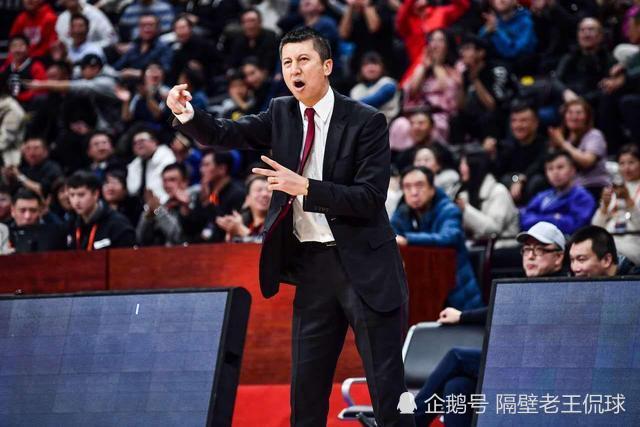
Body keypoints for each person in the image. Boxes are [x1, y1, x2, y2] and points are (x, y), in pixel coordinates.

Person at [168, 27, 414, 426]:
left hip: (365, 266)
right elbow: (227, 133)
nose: (294, 70)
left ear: (327, 66)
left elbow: (370, 198)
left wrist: (307, 188)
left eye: (303, 60)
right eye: (286, 62)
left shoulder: (367, 121)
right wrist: (187, 114)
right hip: (312, 267)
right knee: (305, 393)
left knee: (388, 391)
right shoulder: (281, 112)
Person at [418, 220, 566, 427]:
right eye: (527, 249)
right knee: (457, 386)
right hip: (515, 363)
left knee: (457, 357)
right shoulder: (527, 285)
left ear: (559, 257)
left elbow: (506, 312)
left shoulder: (564, 288)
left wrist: (462, 316)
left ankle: (408, 422)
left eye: (540, 250)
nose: (531, 256)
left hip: (541, 371)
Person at [391, 166, 483, 310]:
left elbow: (448, 237)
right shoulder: (402, 212)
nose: (414, 192)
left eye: (419, 186)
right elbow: (391, 236)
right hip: (421, 289)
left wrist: (408, 240)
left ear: (432, 188)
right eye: (407, 187)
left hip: (456, 292)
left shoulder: (449, 209)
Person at [548, 98, 611, 200]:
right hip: (567, 190)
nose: (574, 117)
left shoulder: (594, 135)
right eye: (570, 113)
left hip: (593, 187)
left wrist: (563, 143)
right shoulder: (564, 138)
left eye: (579, 113)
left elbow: (587, 161)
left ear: (587, 117)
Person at [520, 150, 596, 235]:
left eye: (560, 167)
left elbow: (573, 227)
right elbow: (524, 220)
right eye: (550, 169)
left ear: (573, 170)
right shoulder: (543, 196)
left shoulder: (583, 197)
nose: (555, 173)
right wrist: (554, 217)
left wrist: (540, 218)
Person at [456, 149, 519, 246]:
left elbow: (493, 230)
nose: (460, 168)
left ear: (475, 166)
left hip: (503, 247)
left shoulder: (498, 192)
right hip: (478, 247)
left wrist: (466, 209)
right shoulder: (465, 193)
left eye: (464, 163)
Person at [179, 151, 245, 243]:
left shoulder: (237, 193)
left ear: (222, 169)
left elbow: (220, 223)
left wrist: (209, 200)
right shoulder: (206, 191)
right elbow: (193, 228)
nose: (201, 170)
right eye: (201, 165)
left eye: (206, 165)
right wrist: (185, 208)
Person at [592, 144, 640, 264]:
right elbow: (595, 228)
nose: (626, 168)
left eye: (631, 162)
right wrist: (604, 206)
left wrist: (628, 201)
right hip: (608, 244)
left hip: (633, 244)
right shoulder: (613, 190)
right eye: (622, 163)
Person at [494, 102, 548, 206]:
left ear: (535, 123)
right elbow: (501, 173)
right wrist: (516, 179)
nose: (518, 125)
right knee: (506, 179)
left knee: (537, 180)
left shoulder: (545, 145)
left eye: (523, 121)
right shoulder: (507, 146)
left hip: (534, 187)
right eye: (514, 121)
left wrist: (522, 179)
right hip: (515, 182)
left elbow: (539, 167)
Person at [68, 170, 136, 250]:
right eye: (72, 195)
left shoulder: (117, 224)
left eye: (81, 195)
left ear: (95, 194)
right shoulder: (71, 224)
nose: (76, 201)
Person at [136, 162, 192, 246]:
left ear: (185, 182)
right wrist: (150, 213)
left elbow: (178, 237)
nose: (167, 185)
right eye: (165, 181)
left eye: (172, 180)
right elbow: (140, 239)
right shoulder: (163, 206)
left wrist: (158, 210)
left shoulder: (194, 201)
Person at [7, 188, 68, 253]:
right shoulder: (3, 234)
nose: (27, 216)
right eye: (22, 210)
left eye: (33, 210)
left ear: (40, 211)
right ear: (12, 211)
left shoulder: (55, 234)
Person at [215, 174, 272, 242]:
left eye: (269, 191)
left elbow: (267, 245)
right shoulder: (243, 222)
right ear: (247, 199)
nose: (264, 194)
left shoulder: (277, 224)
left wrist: (241, 230)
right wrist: (231, 234)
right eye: (258, 190)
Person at [126, 129, 176, 203]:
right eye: (135, 143)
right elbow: (132, 190)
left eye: (142, 140)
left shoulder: (167, 158)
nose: (138, 144)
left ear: (154, 142)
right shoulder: (134, 165)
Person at [568, 225, 640, 277]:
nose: (574, 268)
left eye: (581, 259)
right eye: (572, 260)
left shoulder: (635, 284)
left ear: (606, 260)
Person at [225, 8, 279, 75]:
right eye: (246, 21)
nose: (250, 25)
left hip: (265, 73)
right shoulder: (237, 39)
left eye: (252, 21)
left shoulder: (270, 37)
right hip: (242, 74)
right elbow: (232, 62)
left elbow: (270, 62)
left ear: (260, 22)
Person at [349, 51, 400, 123]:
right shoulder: (356, 89)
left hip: (389, 123)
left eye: (375, 64)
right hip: (364, 125)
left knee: (402, 123)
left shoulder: (389, 83)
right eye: (366, 64)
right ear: (361, 69)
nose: (371, 68)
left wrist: (352, 106)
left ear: (382, 67)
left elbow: (373, 101)